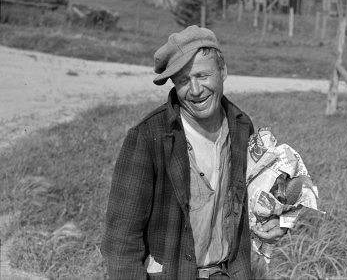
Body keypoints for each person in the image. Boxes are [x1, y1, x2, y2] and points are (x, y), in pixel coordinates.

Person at [101, 25, 286, 280]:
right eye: (183, 81)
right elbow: (121, 241)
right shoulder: (148, 137)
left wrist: (272, 222)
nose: (196, 90)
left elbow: (247, 206)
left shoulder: (242, 128)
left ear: (223, 72)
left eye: (202, 75)